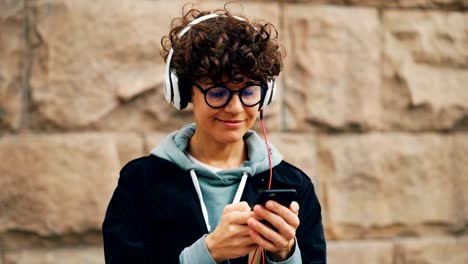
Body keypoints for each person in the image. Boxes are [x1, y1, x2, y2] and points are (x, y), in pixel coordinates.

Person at [102, 3, 326, 264]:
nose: (235, 108)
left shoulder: (294, 185)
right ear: (186, 94)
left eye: (249, 92)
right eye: (217, 93)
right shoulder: (140, 183)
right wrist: (208, 253)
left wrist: (285, 254)